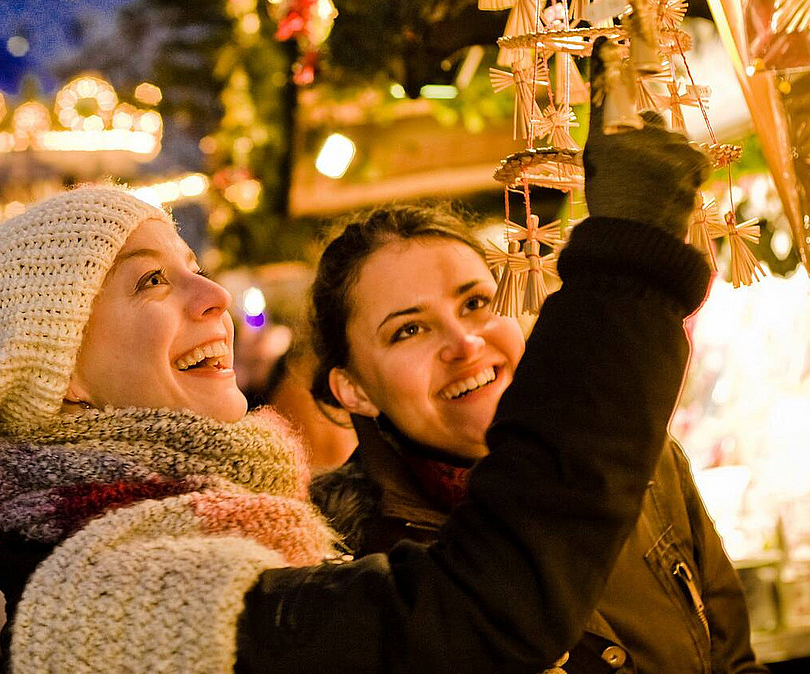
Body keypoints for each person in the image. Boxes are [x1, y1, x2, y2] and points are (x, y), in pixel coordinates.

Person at [0, 53, 716, 669]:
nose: (211, 296)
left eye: (192, 264)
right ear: (62, 375)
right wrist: (622, 273)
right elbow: (472, 617)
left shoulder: (224, 534)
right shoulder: (105, 603)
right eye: (151, 282)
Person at [306, 200, 766, 672]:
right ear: (355, 390)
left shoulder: (635, 456)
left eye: (475, 303)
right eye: (409, 330)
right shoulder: (342, 564)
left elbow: (731, 661)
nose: (464, 342)